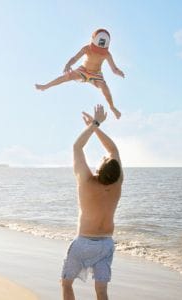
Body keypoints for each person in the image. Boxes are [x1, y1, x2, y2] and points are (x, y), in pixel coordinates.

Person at [61, 104, 123, 300]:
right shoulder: (117, 182)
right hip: (106, 243)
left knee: (66, 284)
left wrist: (94, 124)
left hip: (84, 243)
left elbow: (77, 146)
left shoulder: (87, 182)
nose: (105, 156)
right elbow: (113, 149)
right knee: (102, 291)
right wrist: (96, 128)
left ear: (100, 168)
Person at [35, 29, 125, 119]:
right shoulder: (87, 48)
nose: (98, 52)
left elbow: (114, 69)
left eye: (100, 50)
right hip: (83, 70)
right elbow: (74, 58)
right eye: (97, 49)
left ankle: (112, 107)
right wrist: (68, 64)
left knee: (104, 87)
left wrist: (118, 72)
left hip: (96, 74)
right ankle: (45, 86)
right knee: (67, 77)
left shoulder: (107, 54)